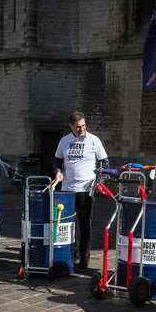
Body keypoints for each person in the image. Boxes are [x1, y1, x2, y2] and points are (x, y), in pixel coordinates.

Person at [52, 111, 109, 269]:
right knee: (66, 223)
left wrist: (100, 181)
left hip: (86, 188)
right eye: (78, 127)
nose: (81, 129)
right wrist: (57, 172)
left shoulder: (93, 140)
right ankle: (70, 253)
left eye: (83, 126)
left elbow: (105, 163)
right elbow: (57, 160)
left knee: (85, 224)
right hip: (67, 189)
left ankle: (84, 257)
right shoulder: (64, 141)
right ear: (71, 126)